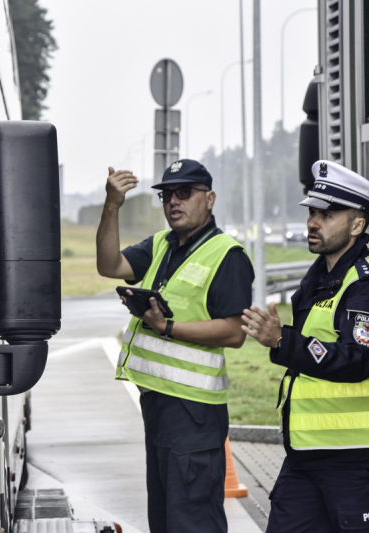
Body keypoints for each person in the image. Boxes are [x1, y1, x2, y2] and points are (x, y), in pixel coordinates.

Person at [242, 160, 369, 533]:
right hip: (307, 456)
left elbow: (358, 360)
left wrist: (283, 340)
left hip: (358, 463)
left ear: (357, 225)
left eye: (328, 214)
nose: (313, 222)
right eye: (313, 212)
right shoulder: (320, 279)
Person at [96, 159, 254, 533]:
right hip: (159, 406)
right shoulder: (161, 245)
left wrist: (166, 326)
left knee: (192, 522)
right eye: (167, 195)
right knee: (166, 521)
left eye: (185, 193)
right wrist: (112, 206)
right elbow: (108, 264)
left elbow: (234, 333)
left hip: (195, 414)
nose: (173, 202)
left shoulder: (226, 255)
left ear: (210, 198)